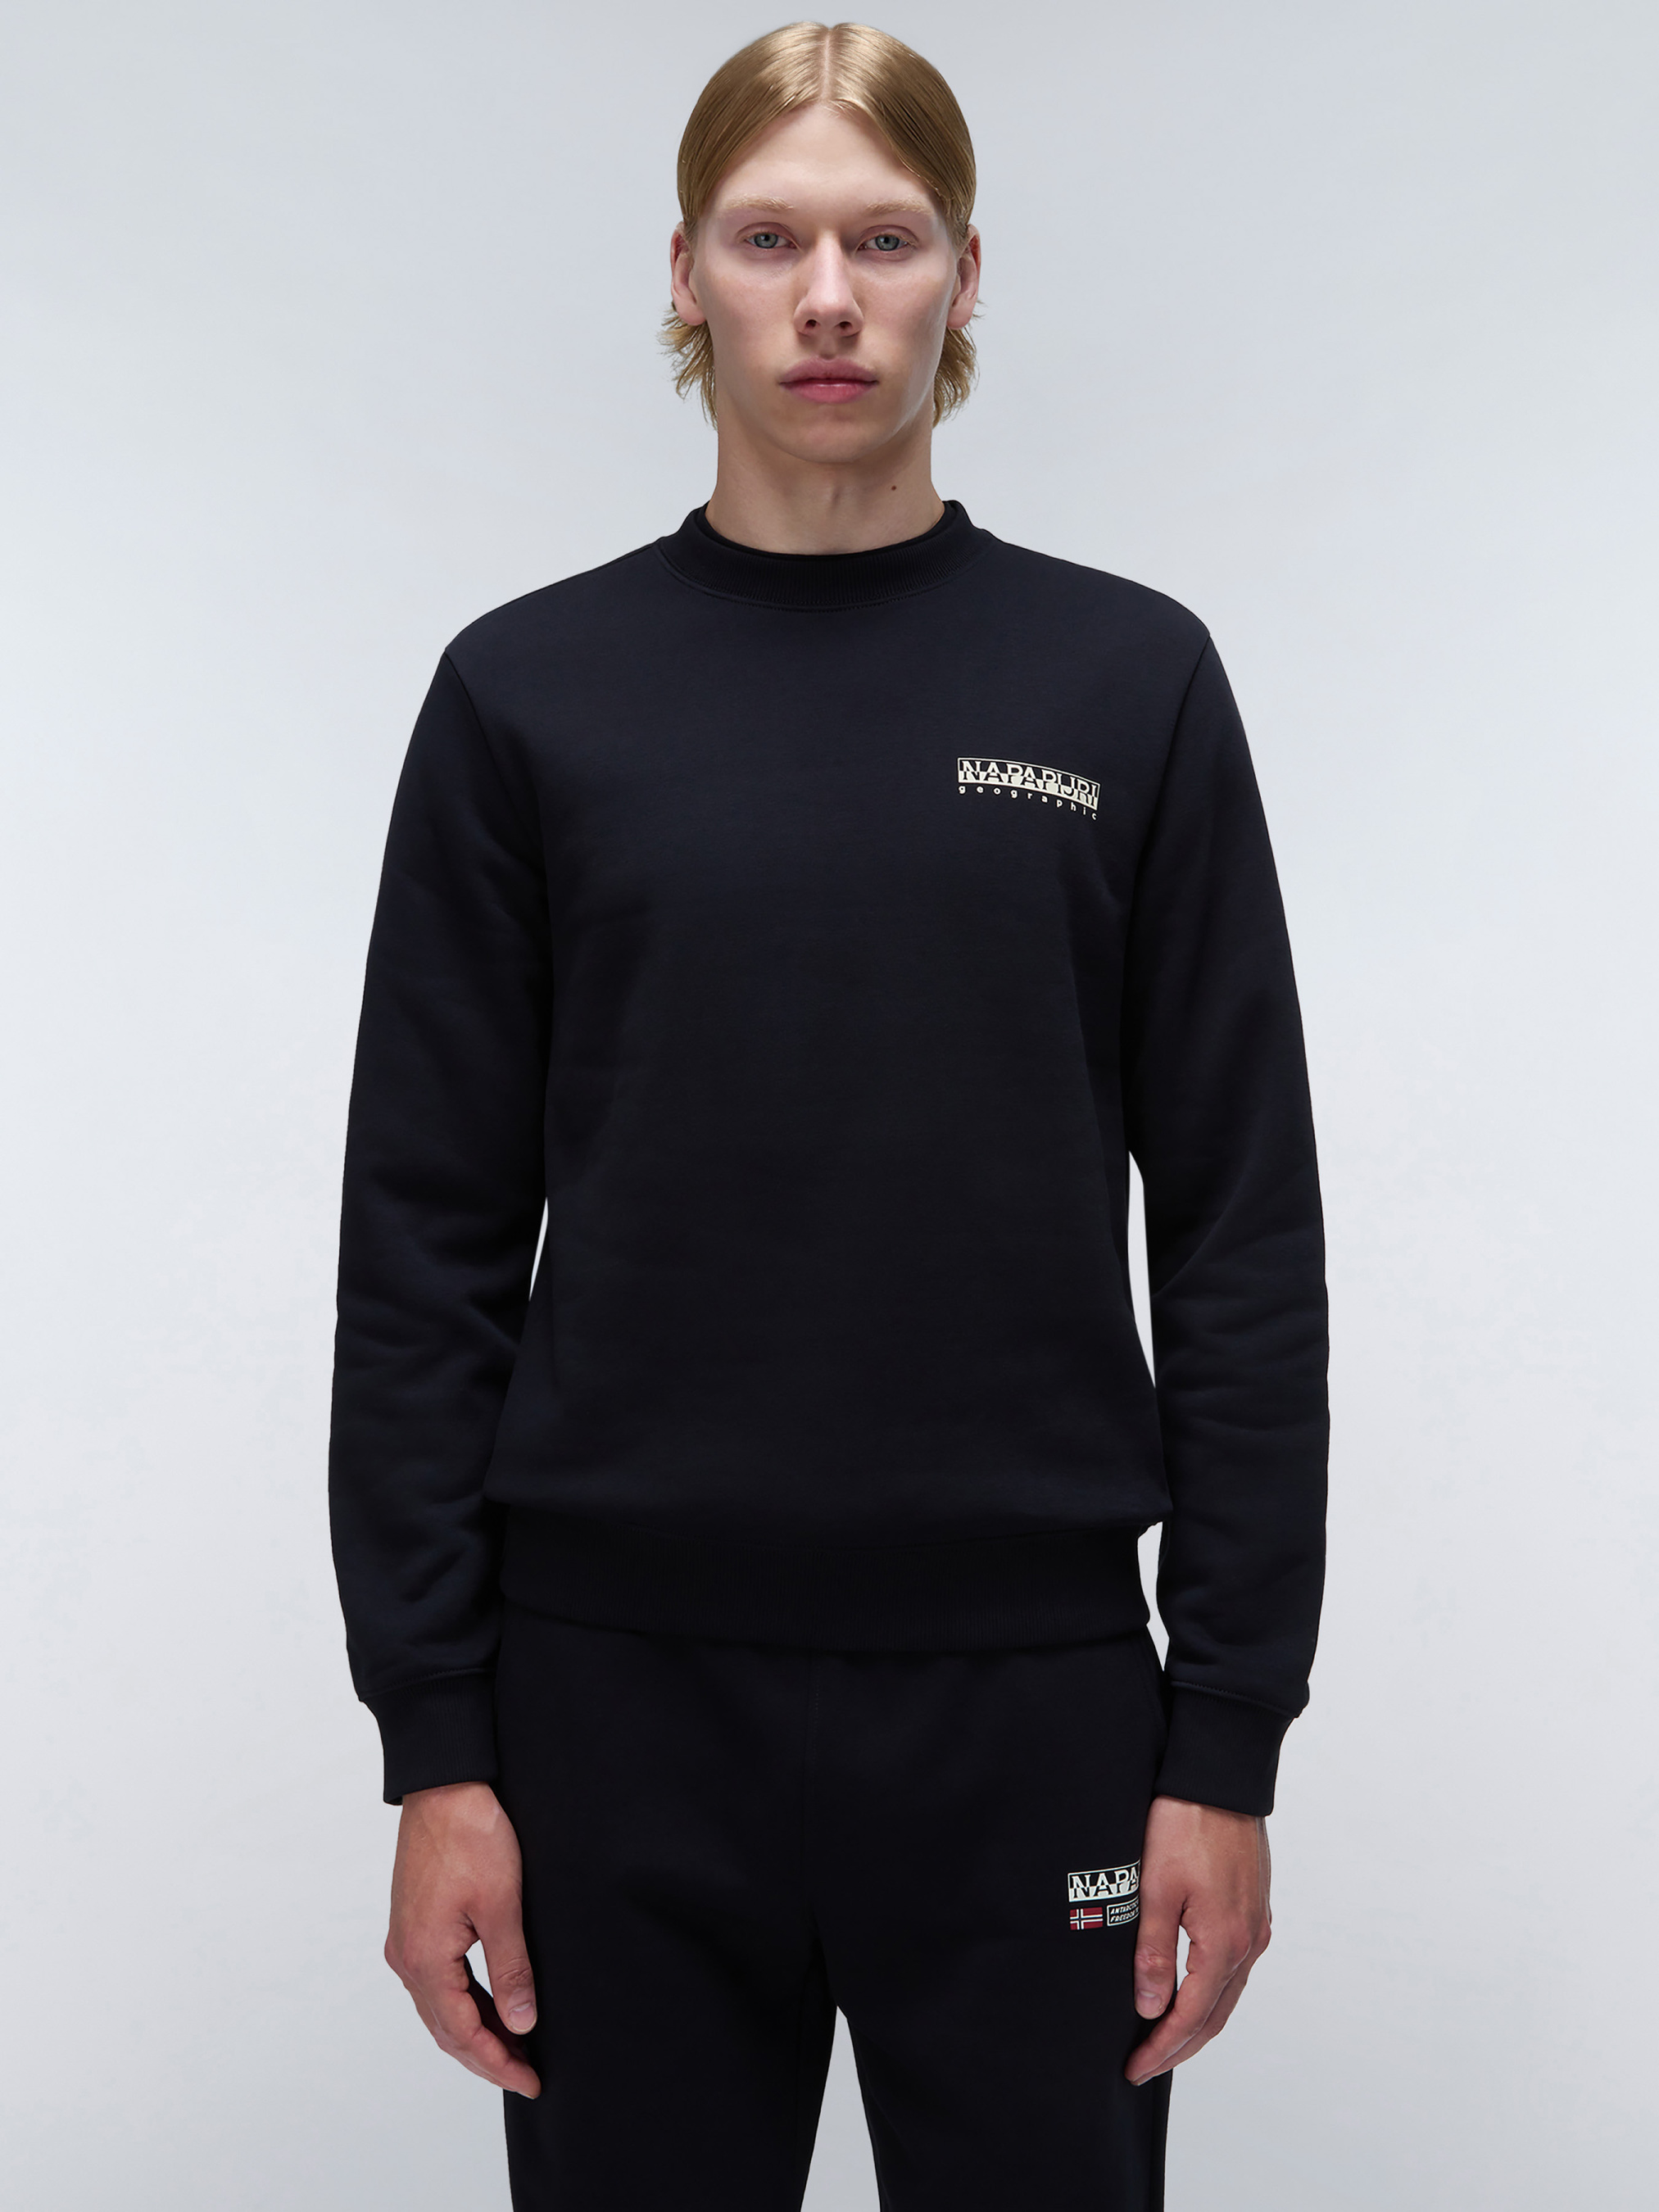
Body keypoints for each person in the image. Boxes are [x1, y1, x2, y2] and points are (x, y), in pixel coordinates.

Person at [329, 20, 1327, 2210]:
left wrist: (1226, 1741)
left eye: (883, 240)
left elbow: (1242, 1239)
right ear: (684, 272)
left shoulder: (1127, 685)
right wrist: (438, 1744)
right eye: (769, 238)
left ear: (966, 274)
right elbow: (422, 1252)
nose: (828, 298)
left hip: (1035, 1706)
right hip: (610, 1716)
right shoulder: (525, 696)